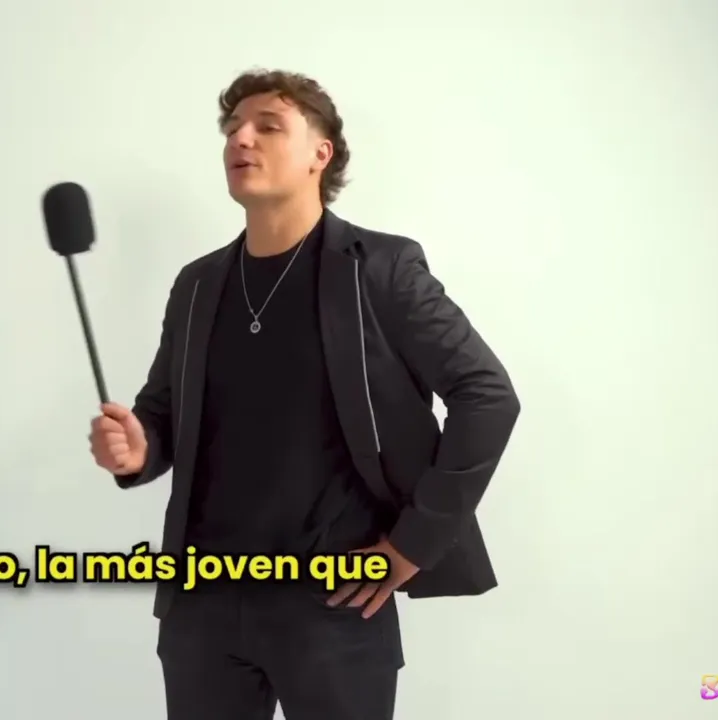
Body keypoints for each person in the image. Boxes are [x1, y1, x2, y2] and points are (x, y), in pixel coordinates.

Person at [88, 70, 520, 720]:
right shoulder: (198, 284)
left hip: (334, 603)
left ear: (322, 153)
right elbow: (162, 413)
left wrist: (412, 546)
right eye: (232, 128)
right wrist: (136, 449)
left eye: (268, 126)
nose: (241, 139)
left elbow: (486, 395)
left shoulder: (382, 269)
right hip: (203, 604)